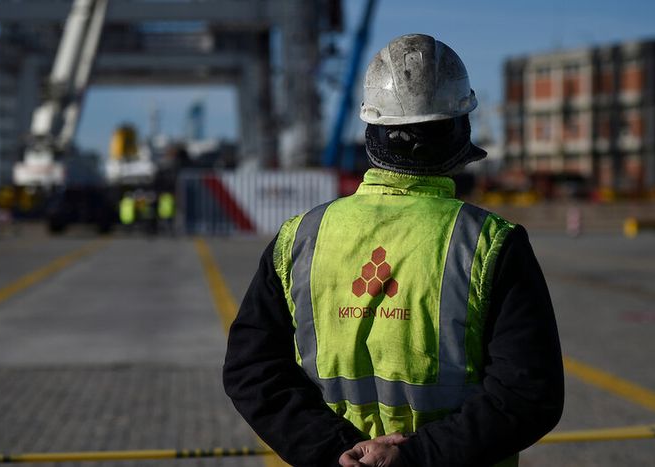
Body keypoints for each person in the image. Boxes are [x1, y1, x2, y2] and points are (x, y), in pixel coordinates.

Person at [223, 34, 563, 466]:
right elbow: (529, 394)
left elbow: (252, 371)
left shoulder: (300, 237)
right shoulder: (491, 243)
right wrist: (416, 456)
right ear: (461, 129)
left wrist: (337, 451)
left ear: (371, 130)